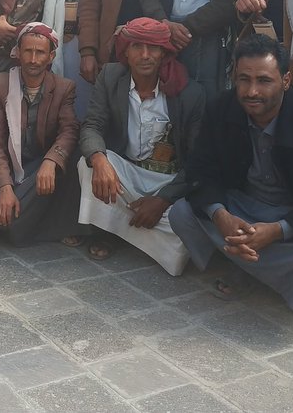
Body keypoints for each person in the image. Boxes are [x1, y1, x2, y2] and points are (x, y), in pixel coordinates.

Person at [171, 35, 293, 318]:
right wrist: (221, 217)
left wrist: (278, 230)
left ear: (286, 81)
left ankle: (246, 267)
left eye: (264, 81)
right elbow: (200, 169)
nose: (252, 91)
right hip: (242, 209)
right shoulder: (221, 109)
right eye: (244, 80)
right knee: (181, 213)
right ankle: (263, 271)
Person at [77, 18, 205, 275]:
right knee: (88, 163)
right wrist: (100, 160)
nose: (145, 55)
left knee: (184, 220)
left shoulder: (189, 93)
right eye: (137, 47)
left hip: (168, 181)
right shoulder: (110, 76)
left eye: (153, 48)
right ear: (125, 52)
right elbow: (92, 126)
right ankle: (121, 232)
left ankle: (122, 226)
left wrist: (162, 200)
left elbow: (197, 162)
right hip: (128, 176)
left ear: (164, 53)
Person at [0, 23, 82, 247]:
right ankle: (44, 224)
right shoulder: (0, 84)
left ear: (51, 56)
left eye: (40, 53)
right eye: (28, 51)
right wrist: (5, 188)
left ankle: (38, 225)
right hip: (12, 171)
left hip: (42, 169)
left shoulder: (64, 88)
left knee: (74, 159)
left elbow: (69, 130)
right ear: (18, 52)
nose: (33, 60)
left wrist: (51, 160)